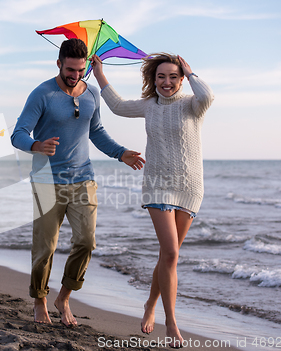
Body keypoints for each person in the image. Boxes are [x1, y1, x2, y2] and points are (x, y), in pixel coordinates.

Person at [11, 38, 145, 327]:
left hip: (83, 178)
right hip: (47, 180)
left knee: (86, 241)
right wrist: (36, 145)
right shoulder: (42, 94)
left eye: (80, 70)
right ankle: (39, 300)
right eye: (70, 70)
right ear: (59, 64)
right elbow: (18, 132)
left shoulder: (91, 94)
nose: (75, 76)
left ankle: (65, 297)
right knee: (45, 247)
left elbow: (95, 131)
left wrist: (120, 153)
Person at [91, 53, 214, 347]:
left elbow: (208, 95)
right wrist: (99, 74)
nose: (167, 82)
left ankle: (150, 304)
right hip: (158, 185)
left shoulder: (193, 105)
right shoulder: (149, 105)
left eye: (173, 76)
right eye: (161, 77)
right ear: (153, 79)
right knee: (171, 253)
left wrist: (190, 71)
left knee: (167, 256)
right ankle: (171, 323)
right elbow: (118, 106)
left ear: (182, 79)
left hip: (190, 187)